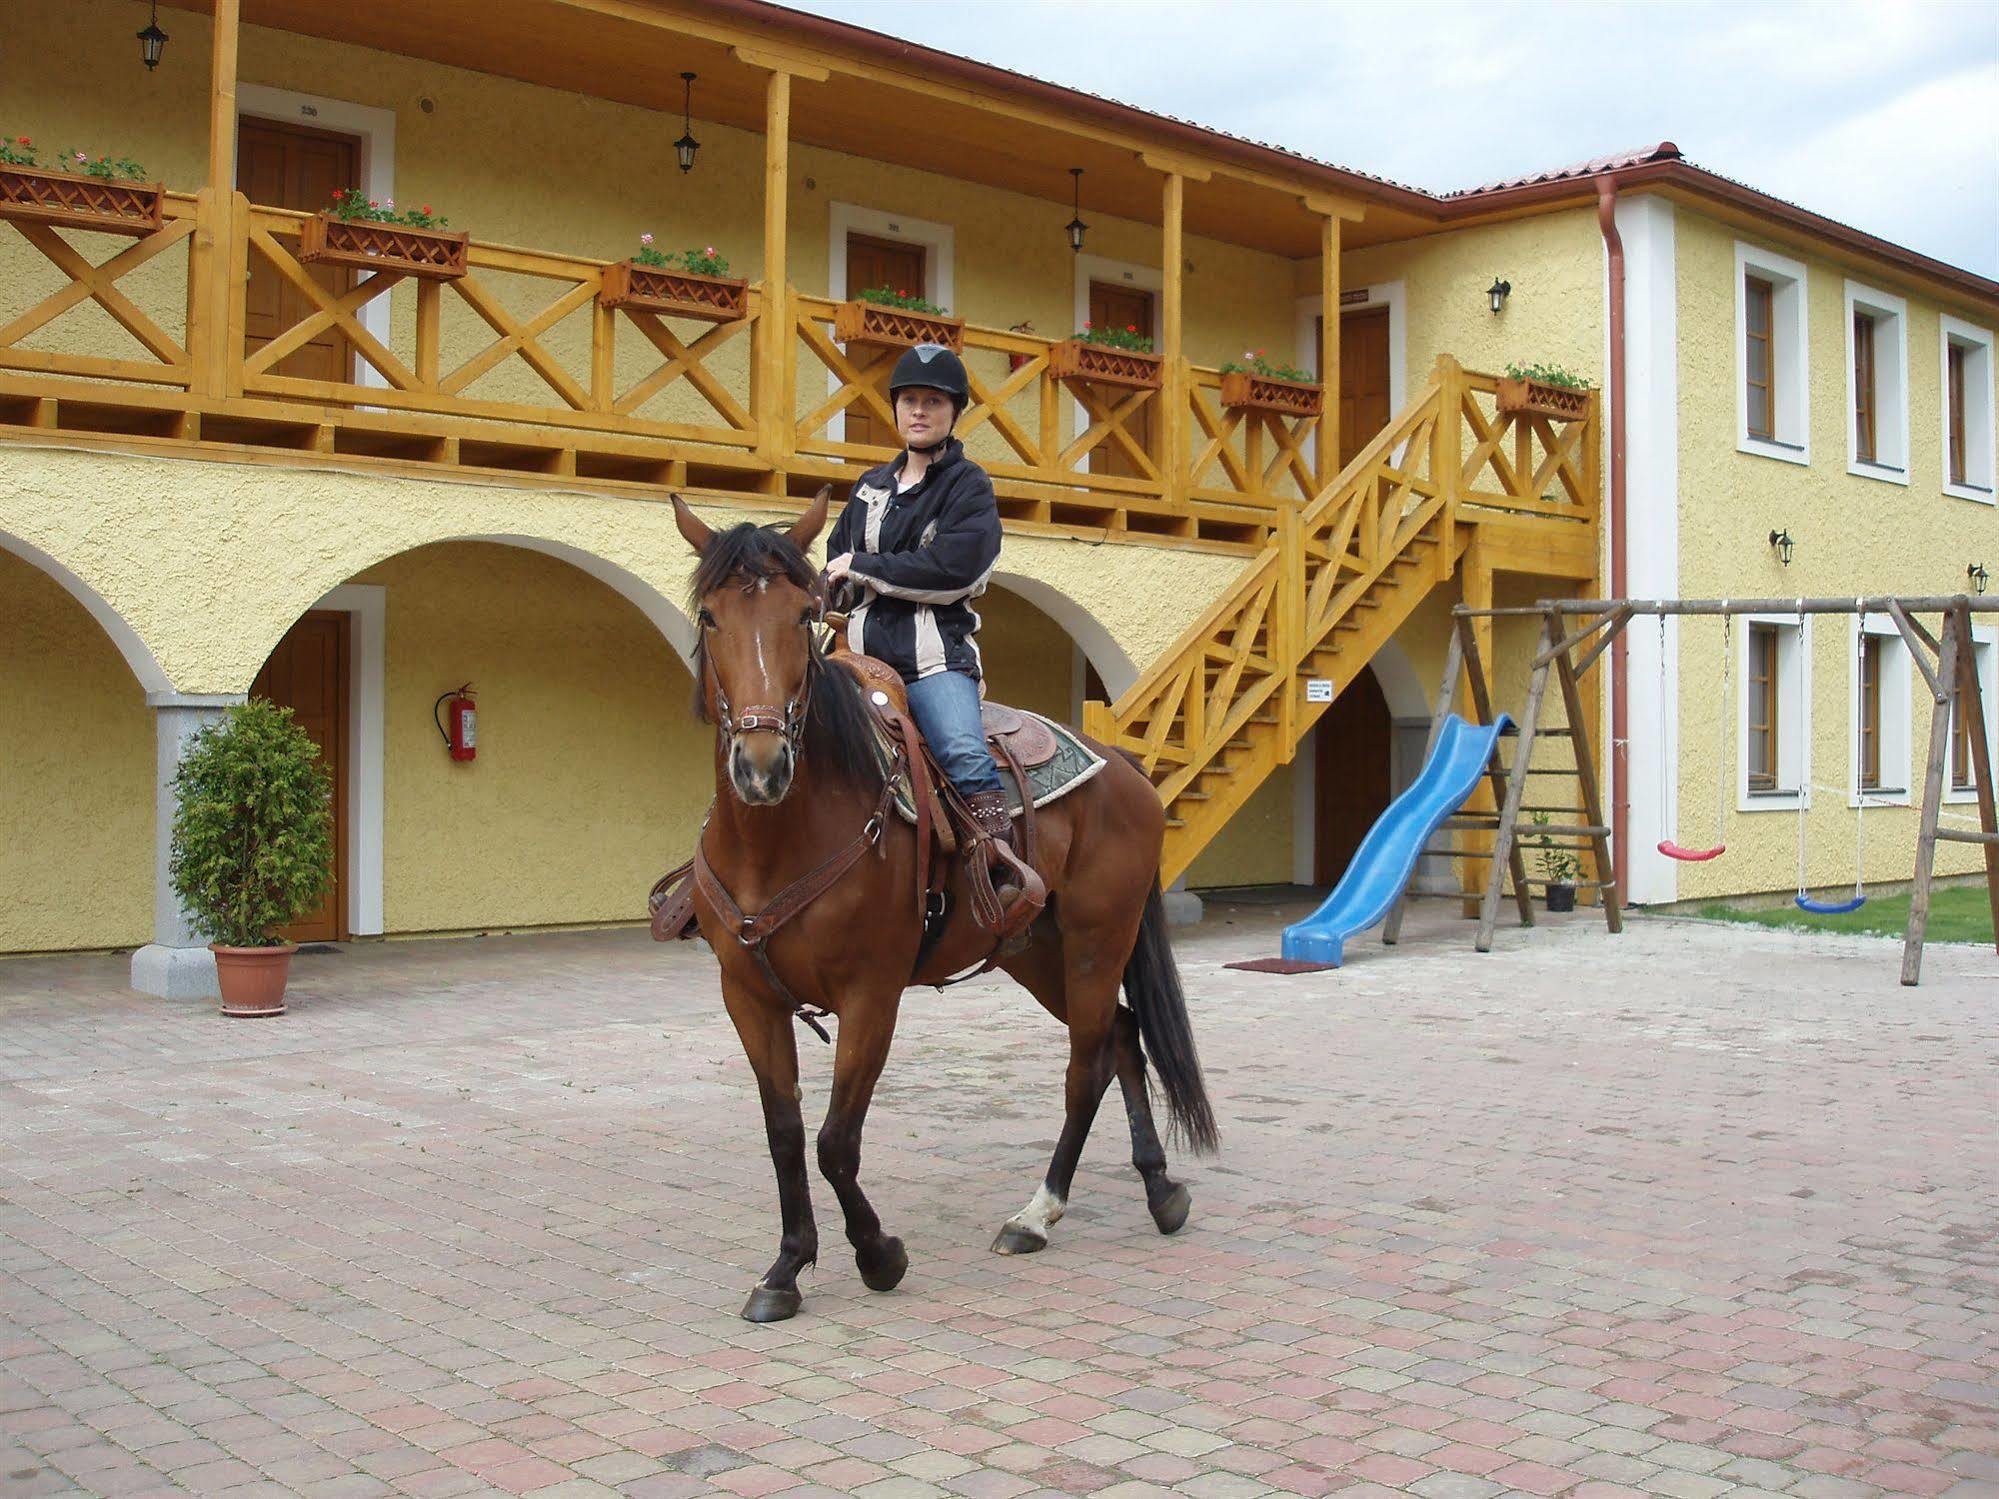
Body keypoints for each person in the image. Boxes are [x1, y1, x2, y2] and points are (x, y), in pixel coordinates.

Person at [823, 343, 1025, 894]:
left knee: (961, 748)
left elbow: (952, 570)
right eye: (909, 399)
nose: (919, 411)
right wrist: (829, 589)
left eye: (933, 401)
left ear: (954, 412)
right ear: (895, 408)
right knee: (781, 729)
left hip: (933, 663)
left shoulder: (969, 486)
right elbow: (835, 559)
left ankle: (998, 869)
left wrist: (861, 565)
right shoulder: (869, 488)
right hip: (853, 660)